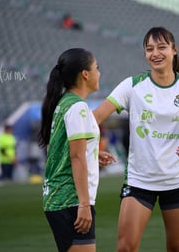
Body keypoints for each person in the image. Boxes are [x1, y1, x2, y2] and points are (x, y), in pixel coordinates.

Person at [93, 26, 179, 252]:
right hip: (139, 181)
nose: (155, 53)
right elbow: (95, 117)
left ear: (174, 50)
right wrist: (91, 149)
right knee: (125, 248)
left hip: (177, 180)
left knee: (178, 248)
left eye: (161, 47)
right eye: (149, 49)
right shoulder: (132, 85)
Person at [38, 48, 115, 252]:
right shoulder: (78, 107)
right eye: (97, 68)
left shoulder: (65, 102)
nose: (99, 73)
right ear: (85, 74)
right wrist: (84, 204)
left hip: (60, 198)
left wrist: (93, 155)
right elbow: (76, 156)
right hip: (70, 199)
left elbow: (61, 148)